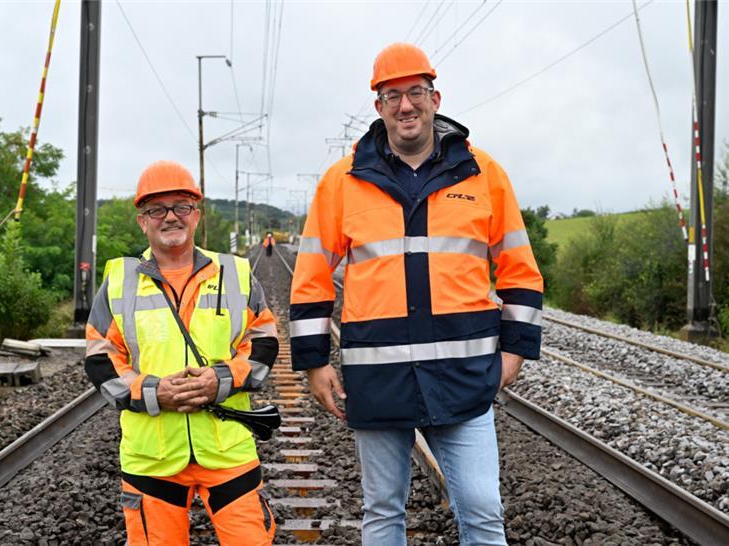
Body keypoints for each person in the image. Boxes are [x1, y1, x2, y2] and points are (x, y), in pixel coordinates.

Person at [289, 43, 543, 546]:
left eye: (415, 93)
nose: (405, 105)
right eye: (392, 96)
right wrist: (315, 362)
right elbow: (312, 276)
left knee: (483, 509)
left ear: (435, 97)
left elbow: (519, 269)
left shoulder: (482, 172)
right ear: (379, 106)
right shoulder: (341, 183)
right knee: (383, 512)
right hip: (378, 379)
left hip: (464, 378)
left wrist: (514, 352)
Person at [85, 160, 279, 546]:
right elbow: (100, 359)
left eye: (181, 207)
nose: (170, 217)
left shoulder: (235, 273)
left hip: (227, 450)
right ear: (143, 220)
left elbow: (263, 342)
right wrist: (154, 392)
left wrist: (221, 380)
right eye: (158, 209)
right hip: (151, 458)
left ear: (197, 215)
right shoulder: (119, 281)